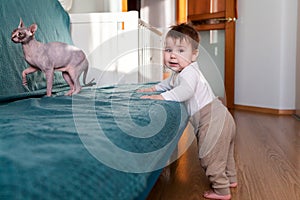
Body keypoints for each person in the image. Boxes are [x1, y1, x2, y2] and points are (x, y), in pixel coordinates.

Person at [138, 23, 237, 200]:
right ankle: (231, 178)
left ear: (194, 55)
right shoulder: (178, 74)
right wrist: (153, 89)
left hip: (211, 119)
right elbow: (166, 84)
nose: (173, 55)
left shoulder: (189, 73)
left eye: (181, 50)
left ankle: (222, 190)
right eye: (168, 50)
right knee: (225, 153)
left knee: (210, 156)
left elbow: (185, 91)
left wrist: (163, 98)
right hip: (222, 116)